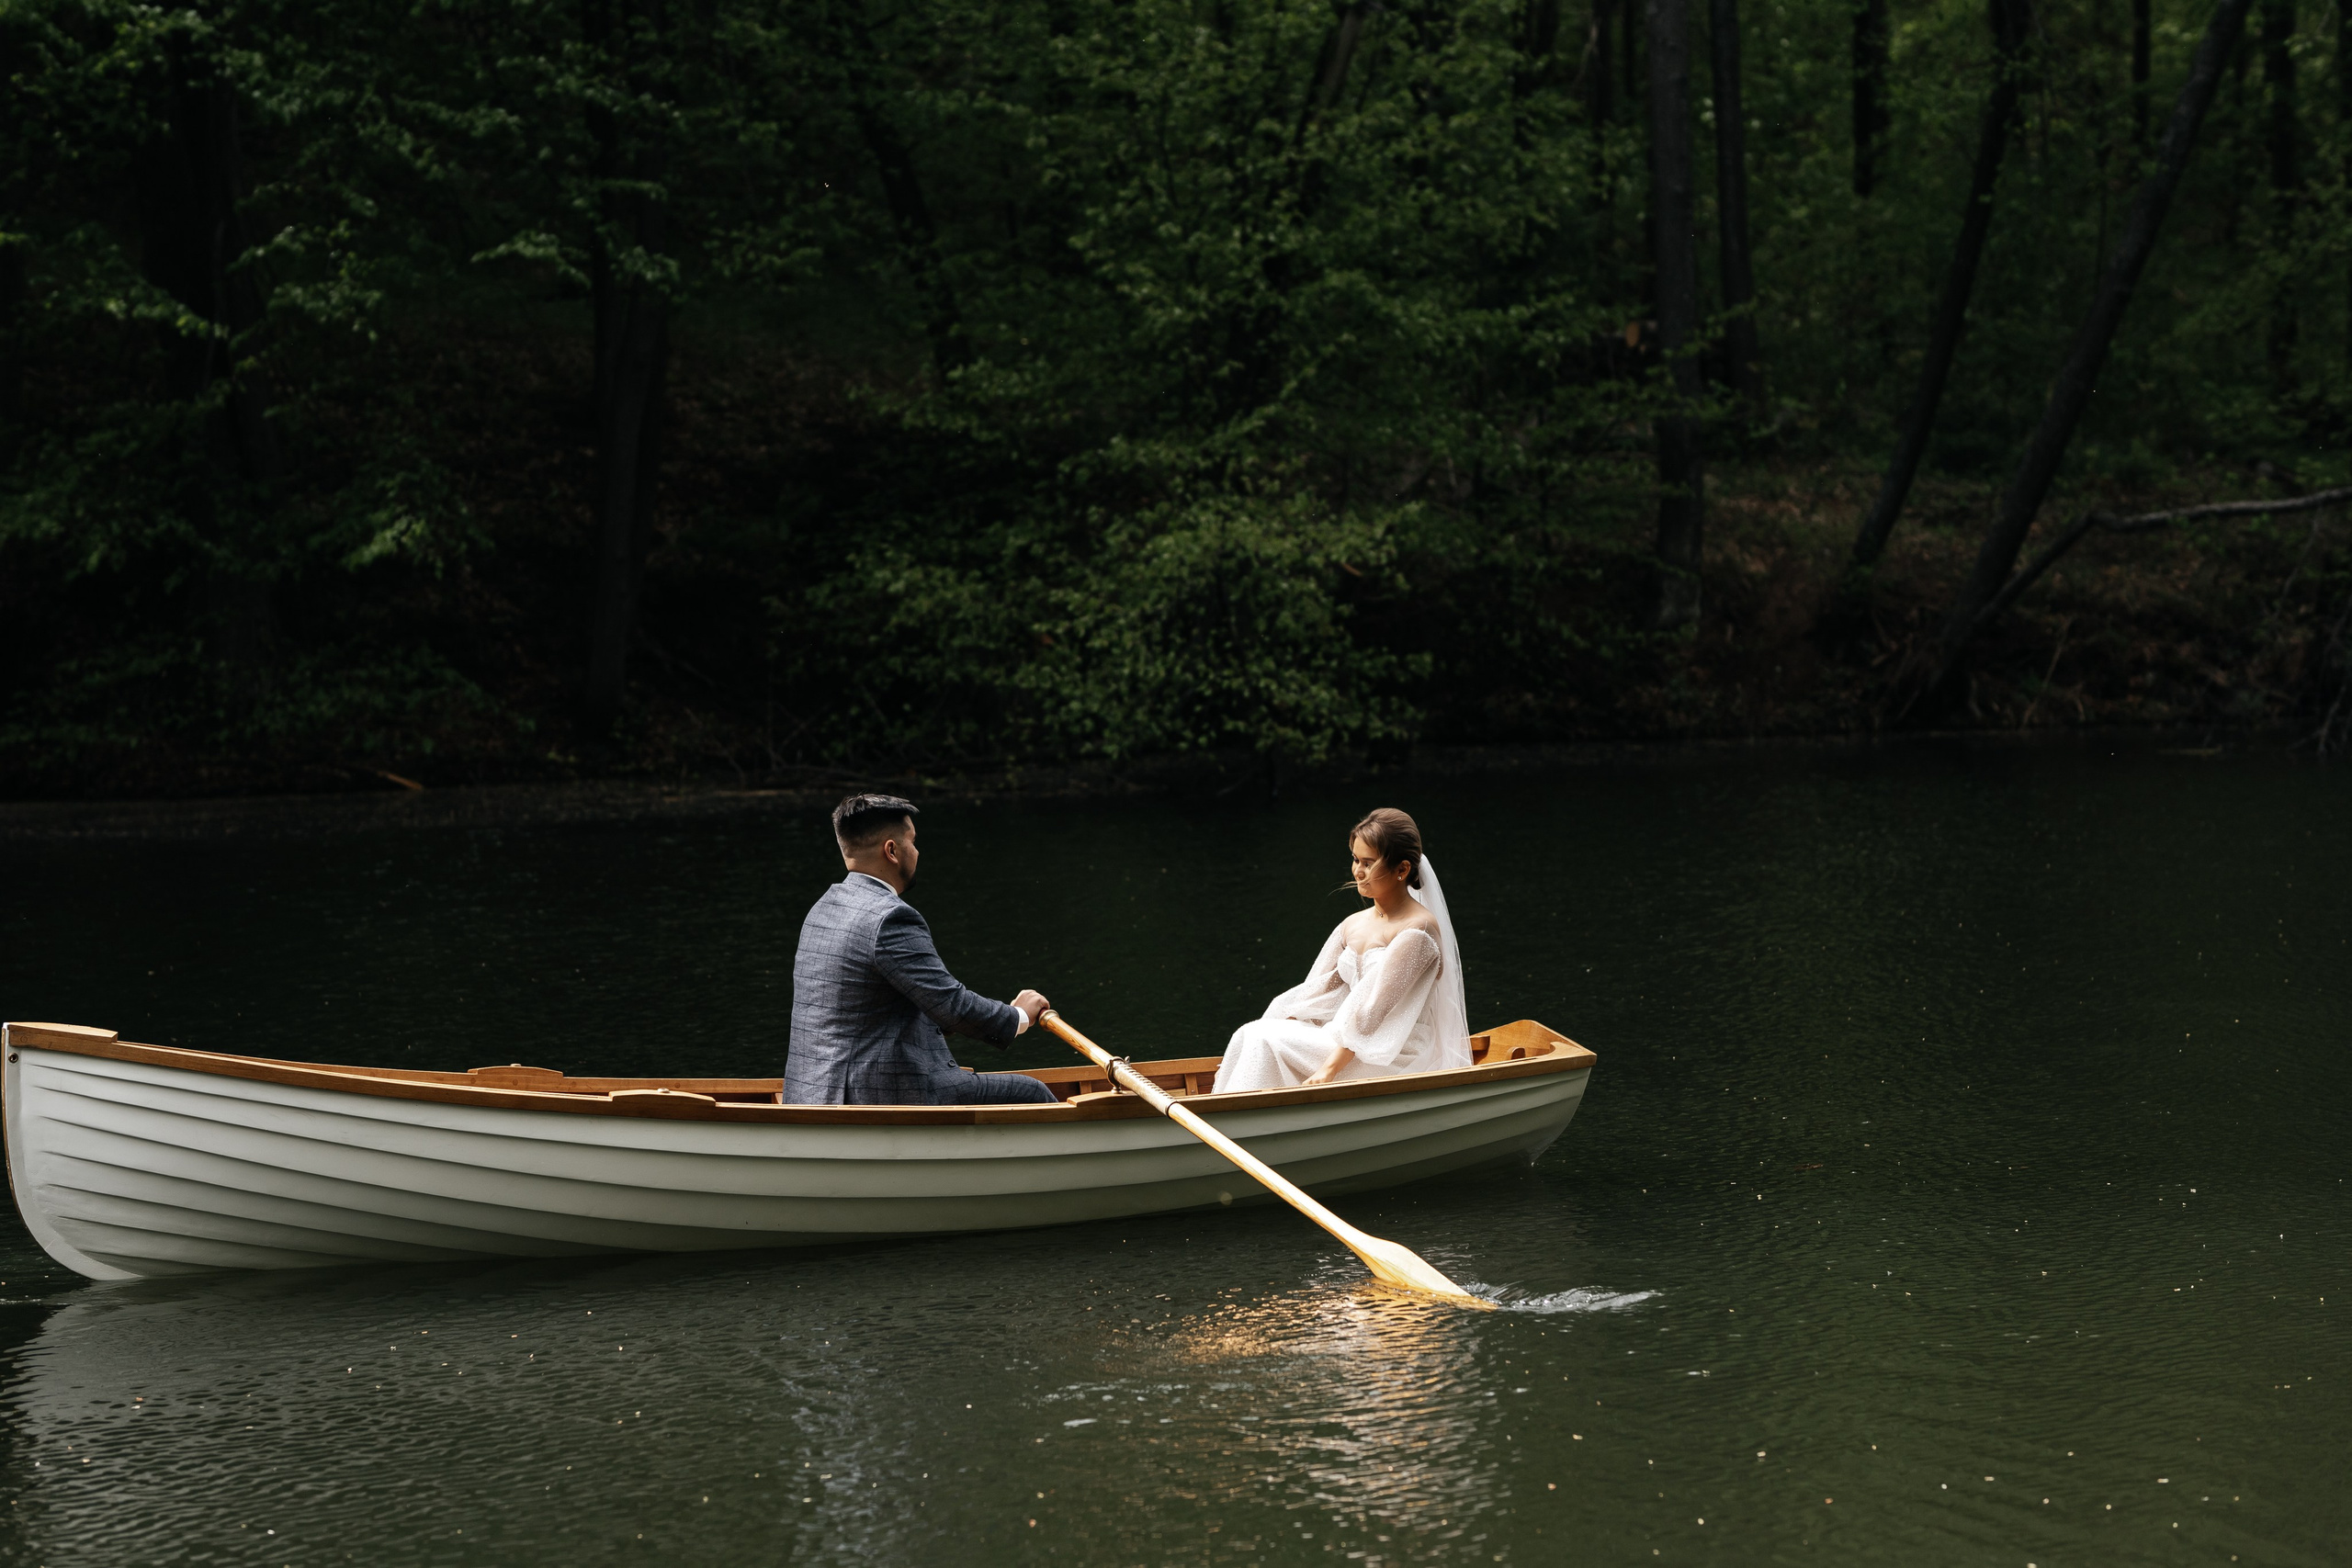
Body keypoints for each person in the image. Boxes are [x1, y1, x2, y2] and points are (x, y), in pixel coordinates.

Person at [786, 794, 1060, 1105]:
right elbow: (953, 1006)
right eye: (912, 842)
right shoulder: (890, 917)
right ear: (891, 851)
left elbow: (871, 1007)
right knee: (1031, 1092)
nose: (916, 851)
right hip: (878, 1096)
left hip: (809, 1091)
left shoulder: (822, 909)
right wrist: (1018, 1015)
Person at [1211, 807, 1472, 1093]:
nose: (1358, 871)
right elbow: (1314, 993)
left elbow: (1373, 1013)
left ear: (1402, 869)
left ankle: (1241, 1120)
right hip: (1345, 1038)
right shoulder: (1352, 925)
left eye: (1368, 863)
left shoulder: (1417, 931)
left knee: (1264, 1040)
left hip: (1392, 1051)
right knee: (1252, 1032)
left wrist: (1328, 1070)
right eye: (1355, 860)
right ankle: (1229, 1111)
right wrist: (1269, 1030)